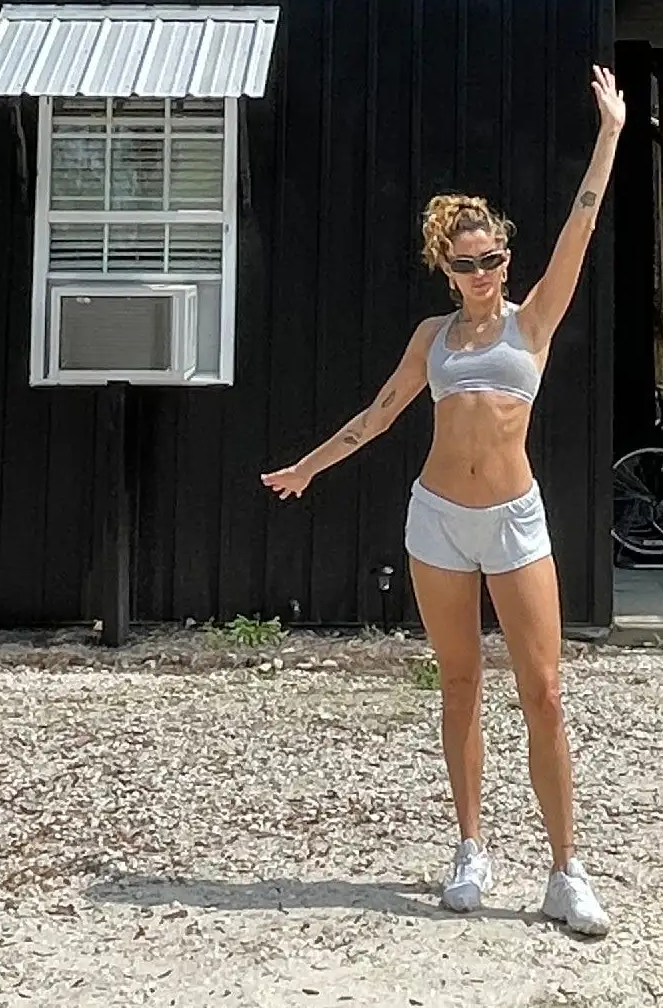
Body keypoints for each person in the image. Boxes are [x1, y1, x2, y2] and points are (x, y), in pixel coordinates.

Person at [262, 64, 626, 938]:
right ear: (446, 269)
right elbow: (379, 416)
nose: (483, 272)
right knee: (459, 684)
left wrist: (609, 133)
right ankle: (469, 848)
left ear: (507, 253)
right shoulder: (432, 338)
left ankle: (565, 869)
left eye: (493, 257)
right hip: (436, 522)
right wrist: (310, 465)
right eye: (466, 264)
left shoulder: (530, 321)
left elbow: (581, 225)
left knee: (542, 688)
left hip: (513, 521)